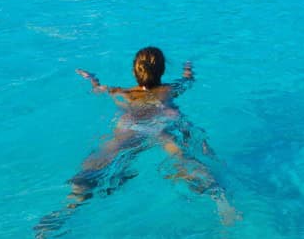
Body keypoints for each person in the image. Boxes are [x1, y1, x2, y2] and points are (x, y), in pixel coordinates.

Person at [35, 47, 237, 235]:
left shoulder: (123, 93)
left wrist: (92, 79)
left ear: (134, 72)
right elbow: (188, 81)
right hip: (161, 128)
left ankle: (70, 207)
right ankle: (220, 200)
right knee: (182, 157)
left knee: (97, 163)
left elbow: (99, 89)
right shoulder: (168, 90)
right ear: (162, 70)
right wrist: (187, 67)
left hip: (130, 129)